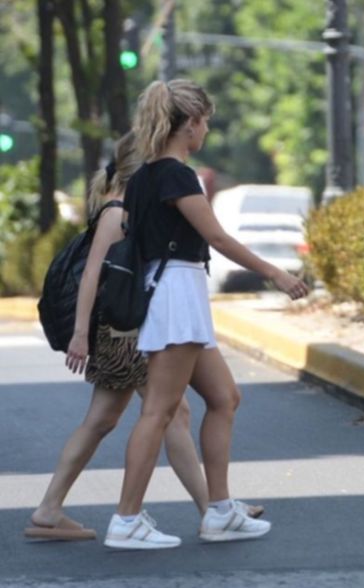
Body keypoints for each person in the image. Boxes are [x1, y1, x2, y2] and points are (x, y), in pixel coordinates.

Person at [24, 133, 261, 542]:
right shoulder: (119, 212)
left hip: (123, 328)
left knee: (115, 418)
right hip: (125, 332)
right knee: (160, 414)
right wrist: (81, 333)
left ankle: (51, 508)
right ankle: (210, 509)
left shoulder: (124, 206)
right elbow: (94, 274)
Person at [103, 79, 307, 550]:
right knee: (158, 411)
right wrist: (275, 272)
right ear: (189, 124)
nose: (207, 130)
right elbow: (217, 237)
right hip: (176, 290)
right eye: (205, 121)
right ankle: (126, 519)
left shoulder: (142, 178)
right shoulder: (176, 175)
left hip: (174, 289)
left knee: (224, 397)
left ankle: (219, 511)